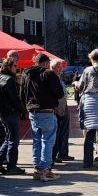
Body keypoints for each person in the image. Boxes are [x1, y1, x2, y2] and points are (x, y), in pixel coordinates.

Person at [22, 53, 64, 181]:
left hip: (33, 111)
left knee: (37, 141)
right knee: (47, 141)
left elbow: (22, 93)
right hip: (47, 111)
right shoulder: (48, 73)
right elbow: (60, 93)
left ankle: (37, 169)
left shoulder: (26, 74)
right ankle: (45, 169)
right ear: (46, 63)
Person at [0, 57, 25, 175]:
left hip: (3, 113)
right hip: (10, 112)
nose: (16, 68)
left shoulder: (0, 78)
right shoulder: (9, 79)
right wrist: (22, 110)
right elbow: (14, 98)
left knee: (9, 139)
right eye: (15, 66)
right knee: (13, 140)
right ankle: (11, 166)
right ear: (8, 67)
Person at [51, 58, 73, 163]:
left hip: (63, 106)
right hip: (57, 108)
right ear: (52, 67)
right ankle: (55, 155)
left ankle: (63, 154)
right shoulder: (51, 78)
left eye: (61, 67)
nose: (61, 69)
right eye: (58, 67)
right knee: (57, 132)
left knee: (64, 131)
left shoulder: (58, 78)